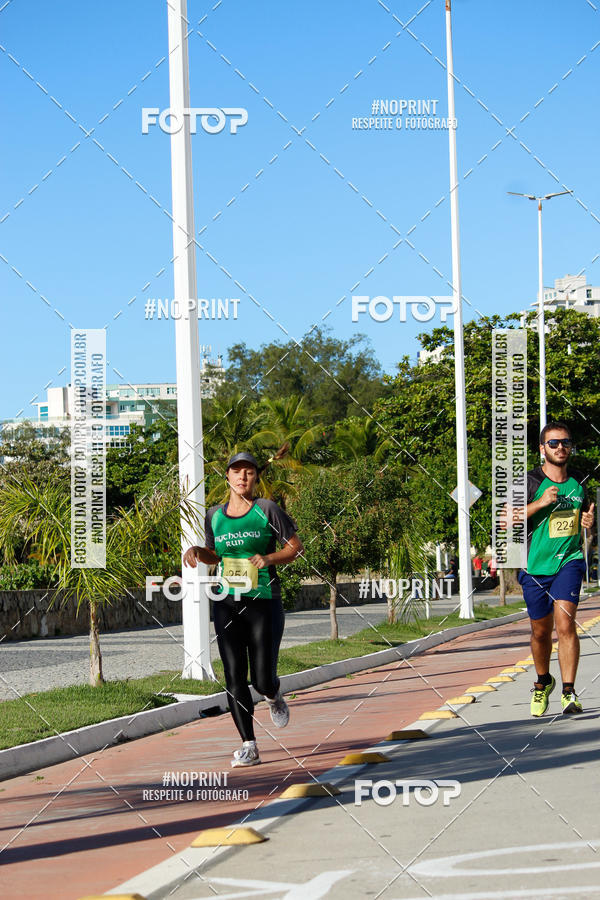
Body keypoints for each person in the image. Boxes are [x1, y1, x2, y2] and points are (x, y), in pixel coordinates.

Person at [184, 451, 304, 767]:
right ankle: (249, 745)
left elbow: (295, 547)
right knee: (234, 674)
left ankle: (274, 695)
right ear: (227, 477)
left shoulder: (267, 509)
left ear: (255, 478)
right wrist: (199, 551)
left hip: (263, 600)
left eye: (248, 472)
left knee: (261, 679)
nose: (242, 478)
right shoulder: (214, 515)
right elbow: (215, 553)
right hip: (225, 601)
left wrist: (269, 559)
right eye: (236, 472)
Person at [518, 422, 595, 716]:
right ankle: (542, 684)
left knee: (565, 624)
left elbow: (586, 520)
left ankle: (568, 692)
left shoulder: (580, 480)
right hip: (534, 567)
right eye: (553, 443)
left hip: (569, 560)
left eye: (565, 442)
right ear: (542, 449)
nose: (560, 447)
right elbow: (504, 519)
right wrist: (539, 504)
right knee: (540, 632)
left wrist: (589, 526)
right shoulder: (528, 482)